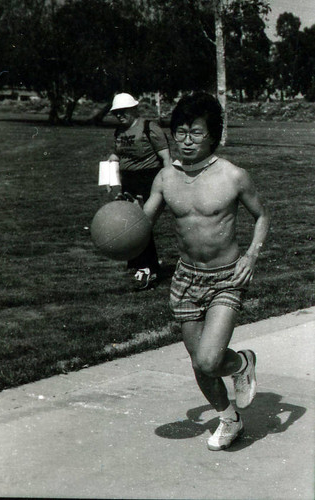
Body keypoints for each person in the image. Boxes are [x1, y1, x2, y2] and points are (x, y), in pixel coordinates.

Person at [143, 91, 270, 451]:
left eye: (196, 133)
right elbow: (142, 223)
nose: (186, 140)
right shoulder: (165, 179)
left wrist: (251, 257)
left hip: (227, 277)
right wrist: (119, 225)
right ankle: (229, 418)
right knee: (200, 367)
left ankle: (242, 362)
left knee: (210, 359)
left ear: (212, 135)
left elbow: (262, 216)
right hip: (186, 280)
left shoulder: (233, 176)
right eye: (180, 132)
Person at [108, 92, 171, 289]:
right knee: (131, 224)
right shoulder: (119, 131)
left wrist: (168, 182)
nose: (120, 116)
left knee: (142, 223)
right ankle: (143, 264)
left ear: (134, 109)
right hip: (129, 181)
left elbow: (166, 158)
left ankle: (146, 268)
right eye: (117, 113)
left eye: (123, 111)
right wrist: (110, 172)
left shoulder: (149, 127)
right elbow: (117, 154)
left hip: (149, 179)